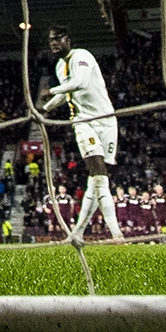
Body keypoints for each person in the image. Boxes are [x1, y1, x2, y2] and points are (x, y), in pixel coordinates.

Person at [39, 25, 124, 241]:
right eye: (50, 41)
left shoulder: (81, 56)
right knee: (99, 176)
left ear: (68, 39)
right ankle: (117, 235)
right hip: (83, 122)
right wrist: (46, 108)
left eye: (58, 39)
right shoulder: (60, 66)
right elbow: (68, 91)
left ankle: (77, 233)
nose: (54, 44)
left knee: (96, 181)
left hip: (107, 121)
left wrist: (51, 91)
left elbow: (81, 82)